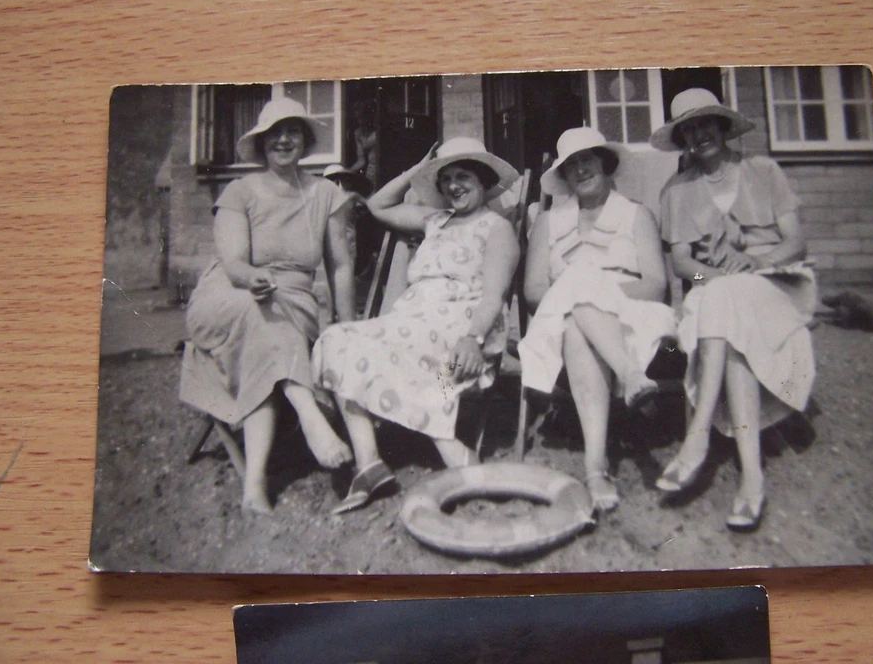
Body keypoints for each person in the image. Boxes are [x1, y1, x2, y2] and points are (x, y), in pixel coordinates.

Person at [311, 137, 521, 514]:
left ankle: (451, 448)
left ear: (484, 179)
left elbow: (494, 294)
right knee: (337, 338)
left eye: (464, 176)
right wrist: (416, 169)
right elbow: (377, 205)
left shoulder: (497, 228)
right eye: (446, 178)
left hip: (464, 325)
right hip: (410, 320)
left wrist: (472, 339)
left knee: (413, 356)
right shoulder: (434, 221)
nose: (453, 185)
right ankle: (370, 463)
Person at [179, 97, 356, 515]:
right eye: (274, 133)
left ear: (306, 139)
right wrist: (250, 278)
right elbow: (234, 261)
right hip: (230, 295)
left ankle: (254, 482)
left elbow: (342, 266)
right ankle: (310, 415)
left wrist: (345, 324)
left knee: (268, 333)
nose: (283, 140)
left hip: (291, 302)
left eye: (292, 131)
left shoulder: (326, 193)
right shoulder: (239, 191)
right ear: (261, 144)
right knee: (256, 316)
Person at [652, 88, 817, 532]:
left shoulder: (763, 170)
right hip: (715, 287)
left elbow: (795, 242)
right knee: (726, 306)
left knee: (728, 301)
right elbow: (684, 264)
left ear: (722, 127)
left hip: (777, 280)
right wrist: (715, 277)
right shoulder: (677, 190)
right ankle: (752, 477)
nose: (698, 135)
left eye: (705, 124)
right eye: (688, 129)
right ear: (682, 139)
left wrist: (758, 262)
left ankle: (697, 437)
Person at [518, 127, 676, 513]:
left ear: (605, 163)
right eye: (571, 165)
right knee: (575, 308)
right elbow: (534, 291)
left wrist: (596, 291)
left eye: (587, 159)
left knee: (580, 304)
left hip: (632, 312)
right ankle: (631, 379)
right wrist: (578, 288)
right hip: (562, 313)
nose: (580, 170)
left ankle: (594, 466)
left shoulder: (636, 214)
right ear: (564, 176)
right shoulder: (548, 221)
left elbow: (655, 285)